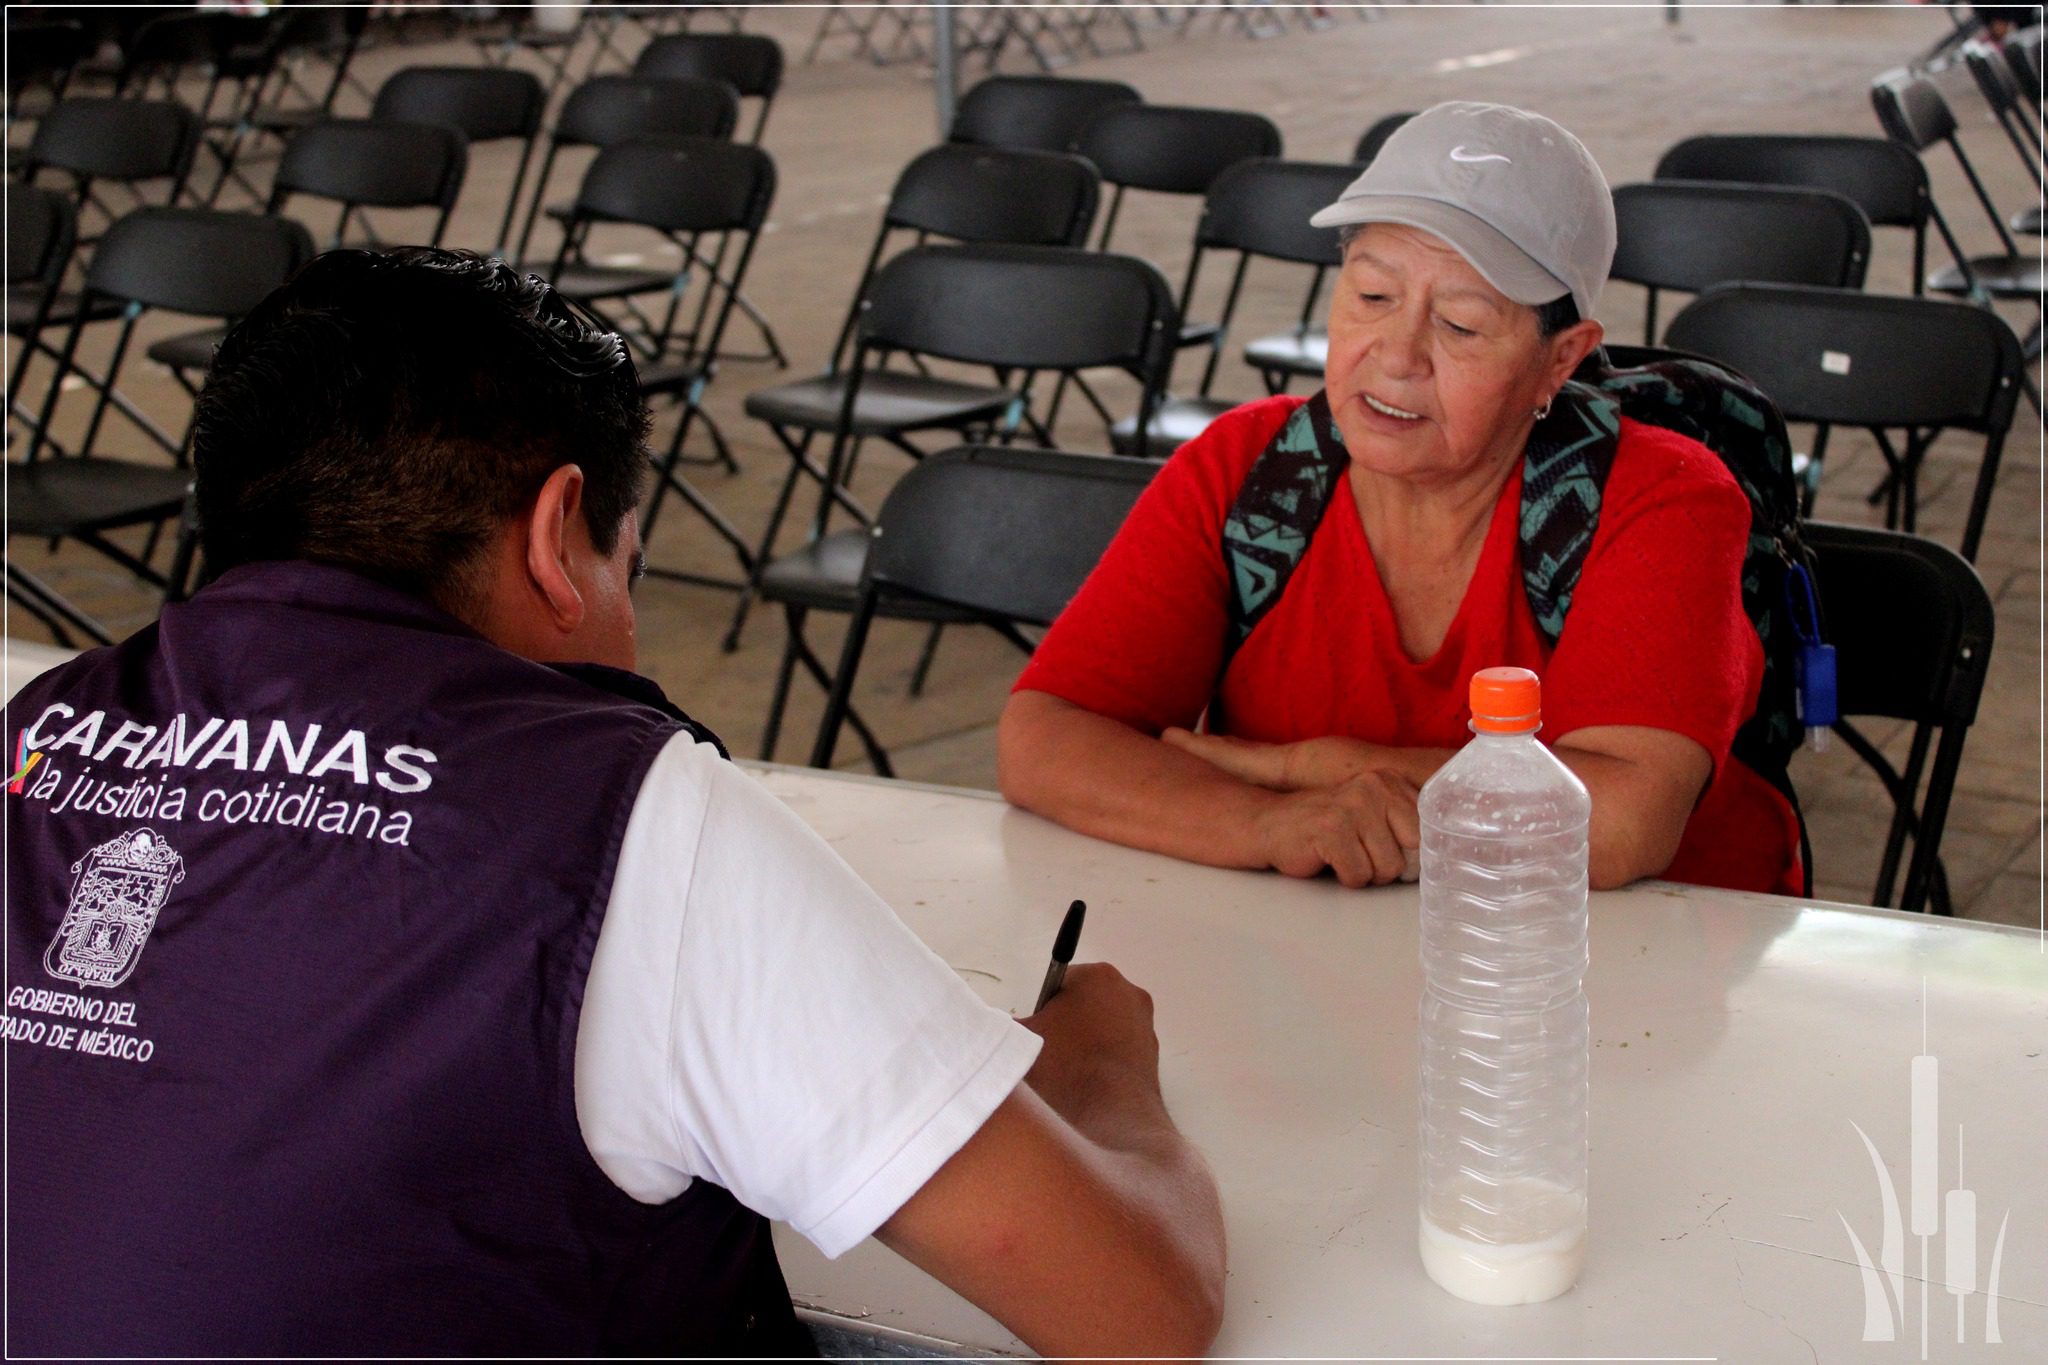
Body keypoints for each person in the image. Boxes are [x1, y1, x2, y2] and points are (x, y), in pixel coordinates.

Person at [3, 250, 1225, 1357]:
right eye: (620, 567)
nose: (631, 626)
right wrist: (1100, 1071)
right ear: (554, 537)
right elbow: (1138, 1310)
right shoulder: (625, 819)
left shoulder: (32, 739)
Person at [1000, 101, 1801, 897]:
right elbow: (1045, 738)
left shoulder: (1661, 498)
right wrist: (1273, 822)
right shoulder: (1250, 470)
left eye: (1459, 324)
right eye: (1372, 297)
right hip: (1324, 956)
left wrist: (1309, 769)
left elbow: (1620, 823)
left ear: (1561, 360)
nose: (1396, 357)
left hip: (1622, 969)